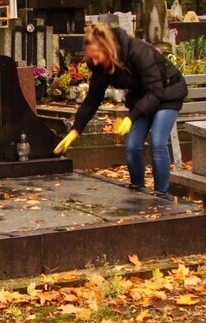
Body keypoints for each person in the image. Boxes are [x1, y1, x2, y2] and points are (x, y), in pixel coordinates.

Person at [54, 23, 188, 200]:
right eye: (91, 57)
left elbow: (156, 91)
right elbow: (92, 101)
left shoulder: (137, 52)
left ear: (108, 48)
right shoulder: (100, 67)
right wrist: (75, 130)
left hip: (168, 93)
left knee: (157, 141)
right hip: (143, 99)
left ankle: (161, 194)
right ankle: (138, 190)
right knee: (132, 145)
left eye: (97, 56)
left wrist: (131, 118)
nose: (94, 61)